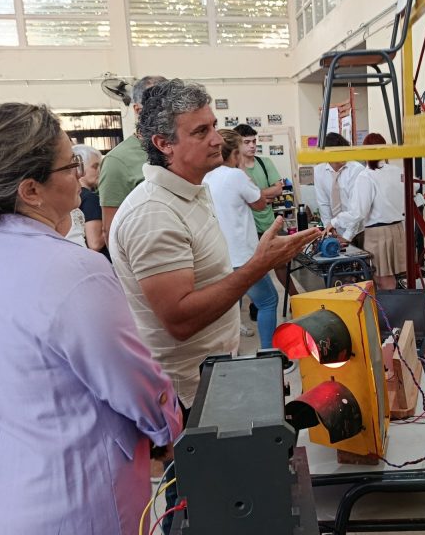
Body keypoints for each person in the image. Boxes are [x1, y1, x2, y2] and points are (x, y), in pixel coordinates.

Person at [0, 102, 182, 534]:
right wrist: (169, 428)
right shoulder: (74, 272)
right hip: (71, 500)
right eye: (70, 164)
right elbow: (134, 385)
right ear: (30, 190)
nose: (79, 174)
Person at [109, 80, 320, 532]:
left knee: (224, 499)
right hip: (184, 394)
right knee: (194, 505)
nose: (215, 139)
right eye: (200, 131)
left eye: (214, 125)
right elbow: (180, 319)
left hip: (211, 375)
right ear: (164, 144)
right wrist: (259, 265)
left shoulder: (193, 190)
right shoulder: (154, 214)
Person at [205, 129, 278, 349]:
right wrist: (244, 173)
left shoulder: (206, 177)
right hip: (243, 256)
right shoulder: (236, 176)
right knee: (268, 301)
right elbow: (260, 204)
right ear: (235, 153)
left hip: (219, 256)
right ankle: (269, 352)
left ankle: (230, 353)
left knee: (229, 306)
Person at [329, 133, 406, 290]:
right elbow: (411, 192)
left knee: (382, 279)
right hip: (398, 229)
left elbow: (358, 213)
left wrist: (334, 222)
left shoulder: (366, 176)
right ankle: (392, 304)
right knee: (390, 277)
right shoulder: (397, 171)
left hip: (378, 233)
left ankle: (388, 306)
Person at [98, 75, 166, 244]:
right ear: (138, 110)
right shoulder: (117, 161)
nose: (166, 113)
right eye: (157, 105)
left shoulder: (179, 148)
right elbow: (111, 231)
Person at [234, 123, 297, 301]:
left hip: (269, 223)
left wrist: (255, 196)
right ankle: (256, 304)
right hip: (248, 228)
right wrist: (263, 196)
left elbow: (278, 189)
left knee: (281, 264)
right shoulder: (234, 170)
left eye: (254, 141)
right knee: (253, 270)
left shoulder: (264, 162)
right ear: (237, 144)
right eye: (247, 142)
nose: (252, 145)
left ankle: (296, 299)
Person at [313, 132, 365, 246]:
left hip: (356, 231)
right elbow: (323, 203)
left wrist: (347, 236)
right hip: (335, 230)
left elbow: (356, 208)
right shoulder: (319, 171)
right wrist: (329, 228)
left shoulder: (357, 170)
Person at [73, 143, 109, 257]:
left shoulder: (73, 196)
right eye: (95, 166)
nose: (99, 171)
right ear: (79, 168)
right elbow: (95, 243)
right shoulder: (90, 198)